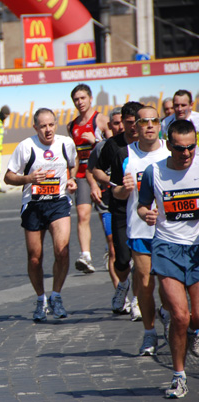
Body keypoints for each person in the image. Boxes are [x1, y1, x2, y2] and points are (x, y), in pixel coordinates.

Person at [137, 119, 199, 399]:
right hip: (167, 247)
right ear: (168, 143)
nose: (186, 154)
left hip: (197, 249)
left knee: (196, 316)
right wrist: (145, 214)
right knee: (179, 315)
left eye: (191, 148)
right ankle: (179, 376)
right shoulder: (154, 172)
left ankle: (193, 333)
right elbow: (142, 205)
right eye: (179, 148)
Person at [4, 108, 77, 322]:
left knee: (62, 250)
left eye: (51, 125)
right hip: (34, 205)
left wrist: (70, 180)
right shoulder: (26, 147)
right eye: (43, 126)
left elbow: (73, 164)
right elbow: (8, 177)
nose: (48, 130)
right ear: (36, 127)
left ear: (56, 125)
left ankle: (56, 296)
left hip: (58, 203)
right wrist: (29, 179)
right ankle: (40, 299)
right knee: (35, 258)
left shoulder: (66, 144)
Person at [111, 106, 170, 356]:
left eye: (153, 121)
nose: (148, 125)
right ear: (135, 125)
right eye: (143, 121)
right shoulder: (126, 154)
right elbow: (115, 193)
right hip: (140, 231)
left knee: (168, 287)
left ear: (159, 125)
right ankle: (149, 333)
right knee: (145, 284)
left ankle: (170, 314)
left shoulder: (173, 150)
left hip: (172, 231)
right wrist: (123, 190)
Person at [93, 101, 144, 317]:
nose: (134, 127)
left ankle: (137, 301)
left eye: (137, 123)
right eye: (129, 123)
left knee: (142, 259)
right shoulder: (112, 146)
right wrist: (111, 181)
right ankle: (123, 284)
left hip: (144, 208)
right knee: (122, 259)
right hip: (120, 208)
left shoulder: (150, 145)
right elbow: (96, 170)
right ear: (122, 122)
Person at [67, 84, 112, 274]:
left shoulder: (101, 120)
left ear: (90, 99)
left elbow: (112, 147)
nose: (80, 102)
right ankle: (85, 256)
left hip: (101, 174)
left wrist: (96, 141)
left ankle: (112, 249)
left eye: (83, 98)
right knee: (83, 214)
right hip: (82, 175)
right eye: (76, 99)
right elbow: (74, 156)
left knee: (105, 216)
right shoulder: (72, 126)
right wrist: (70, 177)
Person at [86, 108, 123, 294]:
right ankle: (120, 293)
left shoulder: (137, 147)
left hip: (130, 205)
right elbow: (89, 170)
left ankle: (137, 297)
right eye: (116, 123)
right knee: (113, 247)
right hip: (107, 204)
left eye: (123, 121)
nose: (121, 126)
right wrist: (93, 186)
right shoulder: (101, 147)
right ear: (110, 126)